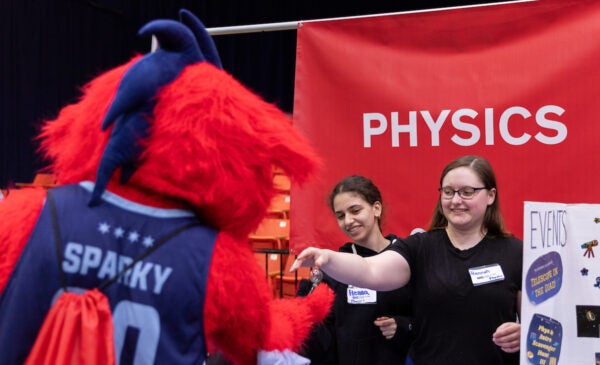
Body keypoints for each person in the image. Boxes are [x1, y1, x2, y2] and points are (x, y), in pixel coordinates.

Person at [291, 155, 522, 365]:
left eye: (467, 192)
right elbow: (370, 269)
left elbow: (540, 320)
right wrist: (327, 257)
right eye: (448, 192)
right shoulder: (419, 247)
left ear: (490, 195)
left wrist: (525, 332)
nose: (455, 200)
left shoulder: (515, 252)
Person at [297, 175, 412, 364]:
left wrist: (405, 325)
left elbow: (431, 318)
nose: (348, 221)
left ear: (376, 208)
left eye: (355, 210)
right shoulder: (335, 268)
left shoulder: (407, 256)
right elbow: (323, 336)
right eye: (340, 216)